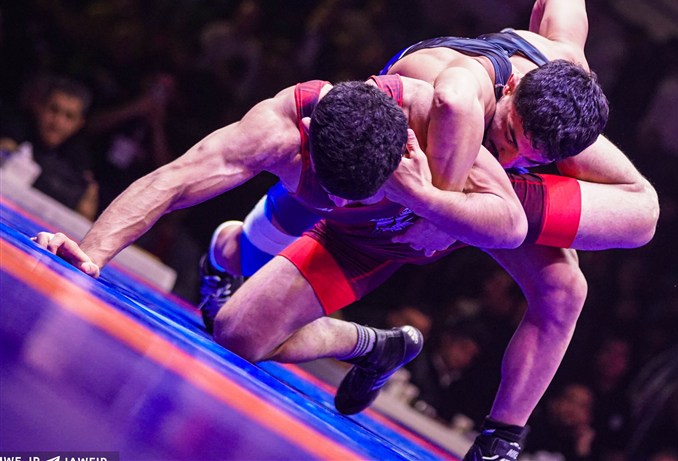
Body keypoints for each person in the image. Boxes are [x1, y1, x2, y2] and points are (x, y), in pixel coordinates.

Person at [201, 0, 658, 460]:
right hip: (378, 190)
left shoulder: (557, 86)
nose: (509, 156)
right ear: (513, 87)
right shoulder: (460, 87)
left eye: (529, 157)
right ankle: (372, 345)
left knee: (570, 284)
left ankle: (499, 443)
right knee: (239, 310)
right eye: (508, 135)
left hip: (463, 205)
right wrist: (431, 198)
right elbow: (461, 90)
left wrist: (452, 202)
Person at [33, 73, 530, 416]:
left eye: (351, 191)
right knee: (238, 294)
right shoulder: (280, 129)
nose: (341, 199)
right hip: (321, 216)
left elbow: (512, 226)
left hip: (394, 229)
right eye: (336, 188)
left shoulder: (431, 118)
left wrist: (424, 198)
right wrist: (93, 252)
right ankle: (377, 345)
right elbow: (176, 179)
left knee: (239, 318)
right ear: (309, 135)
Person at [1, 76, 99, 219]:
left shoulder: (80, 159)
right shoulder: (14, 130)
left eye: (69, 116)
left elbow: (84, 214)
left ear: (79, 123)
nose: (57, 122)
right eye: (54, 110)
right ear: (40, 107)